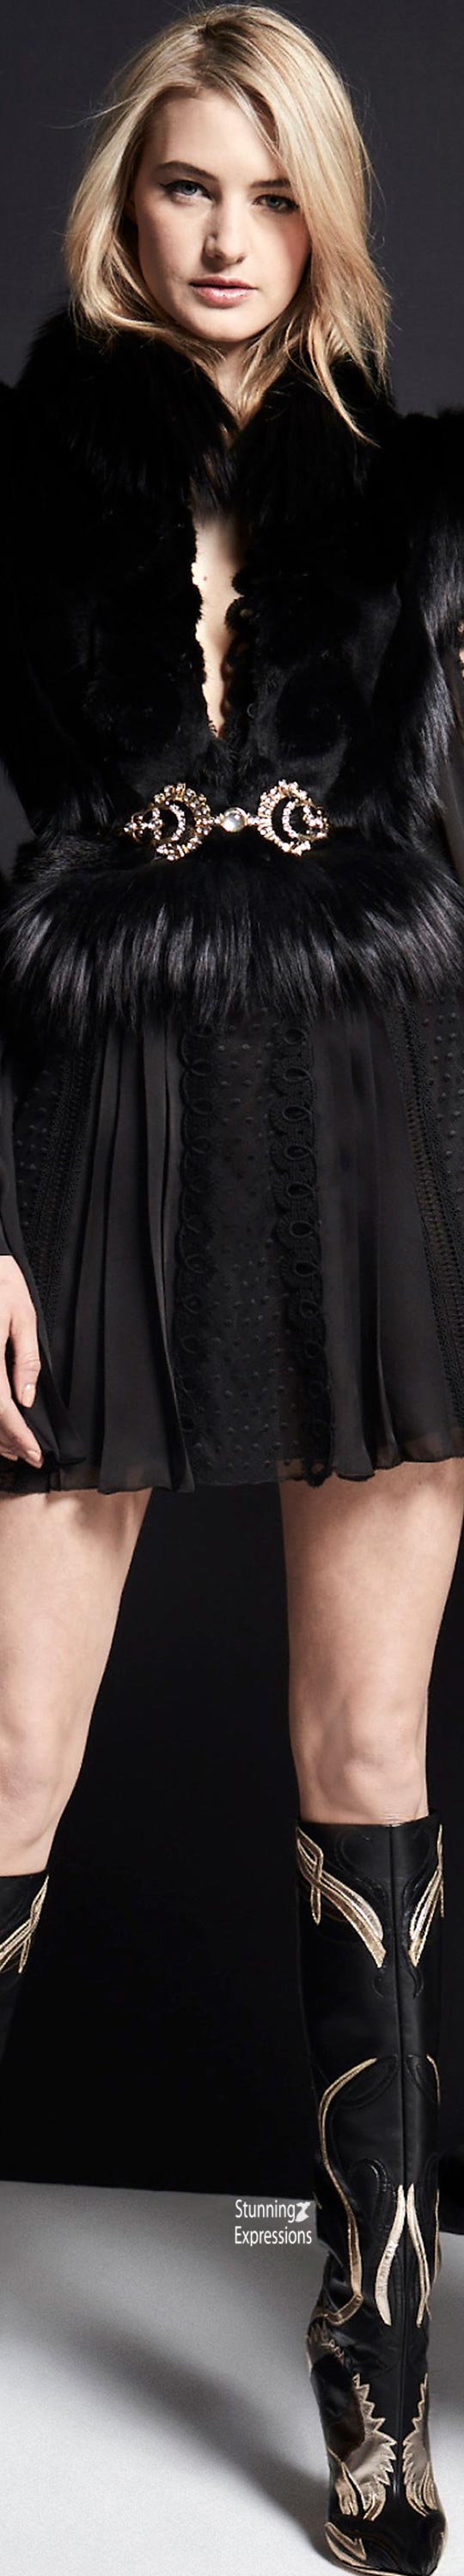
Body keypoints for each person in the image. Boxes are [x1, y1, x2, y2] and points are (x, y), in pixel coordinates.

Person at [0, 6, 463, 2566]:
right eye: (184, 183)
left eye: (269, 193)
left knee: (368, 1743)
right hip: (96, 1116)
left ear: (323, 219)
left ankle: (377, 2380)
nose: (221, 234)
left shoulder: (417, 496)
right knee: (9, 1749)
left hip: (373, 1126)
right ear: (126, 203)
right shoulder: (18, 475)